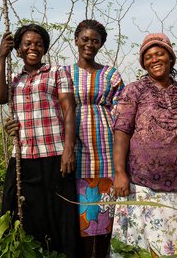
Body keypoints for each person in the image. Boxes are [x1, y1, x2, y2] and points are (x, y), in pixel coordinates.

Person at [0, 24, 78, 257]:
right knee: (21, 211)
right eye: (27, 44)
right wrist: (1, 56)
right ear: (18, 49)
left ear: (45, 49)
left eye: (39, 44)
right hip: (25, 155)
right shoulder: (13, 78)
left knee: (59, 214)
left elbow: (69, 111)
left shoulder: (57, 72)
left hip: (55, 154)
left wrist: (69, 149)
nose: (33, 48)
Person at [111, 33, 177, 256]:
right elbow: (122, 132)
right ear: (143, 63)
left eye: (160, 54)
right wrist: (119, 172)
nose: (154, 59)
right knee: (142, 248)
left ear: (170, 58)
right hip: (142, 186)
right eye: (148, 57)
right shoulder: (134, 90)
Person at [68, 19, 124, 258]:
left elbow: (123, 111)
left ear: (101, 45)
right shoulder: (65, 73)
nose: (89, 44)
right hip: (75, 151)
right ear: (76, 40)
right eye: (85, 39)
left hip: (106, 151)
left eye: (95, 41)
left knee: (104, 218)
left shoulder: (110, 74)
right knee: (80, 217)